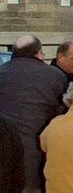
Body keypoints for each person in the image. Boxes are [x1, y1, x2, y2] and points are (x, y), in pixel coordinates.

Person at [0, 35, 68, 191]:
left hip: (5, 156)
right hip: (39, 155)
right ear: (39, 53)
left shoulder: (2, 74)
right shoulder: (55, 76)